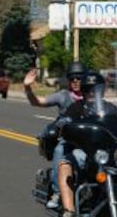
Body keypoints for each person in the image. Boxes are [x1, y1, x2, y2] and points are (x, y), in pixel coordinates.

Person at [58, 70, 117, 217]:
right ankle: (69, 210)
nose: (92, 93)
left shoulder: (111, 109)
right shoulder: (75, 108)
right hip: (83, 151)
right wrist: (64, 124)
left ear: (102, 90)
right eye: (88, 90)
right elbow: (65, 125)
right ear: (83, 91)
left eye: (96, 90)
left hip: (106, 153)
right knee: (66, 162)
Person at [23, 61, 85, 209]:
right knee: (60, 151)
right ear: (68, 80)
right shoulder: (63, 96)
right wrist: (27, 87)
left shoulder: (91, 95)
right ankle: (58, 193)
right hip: (69, 139)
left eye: (79, 77)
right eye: (72, 78)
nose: (76, 81)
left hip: (88, 139)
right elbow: (37, 102)